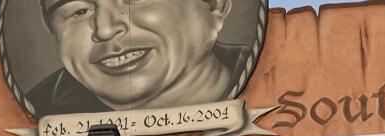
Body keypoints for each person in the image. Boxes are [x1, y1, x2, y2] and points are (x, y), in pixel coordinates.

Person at [34, 0, 244, 114]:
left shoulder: (273, 80)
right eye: (79, 11)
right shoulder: (36, 110)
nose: (105, 30)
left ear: (215, 5)